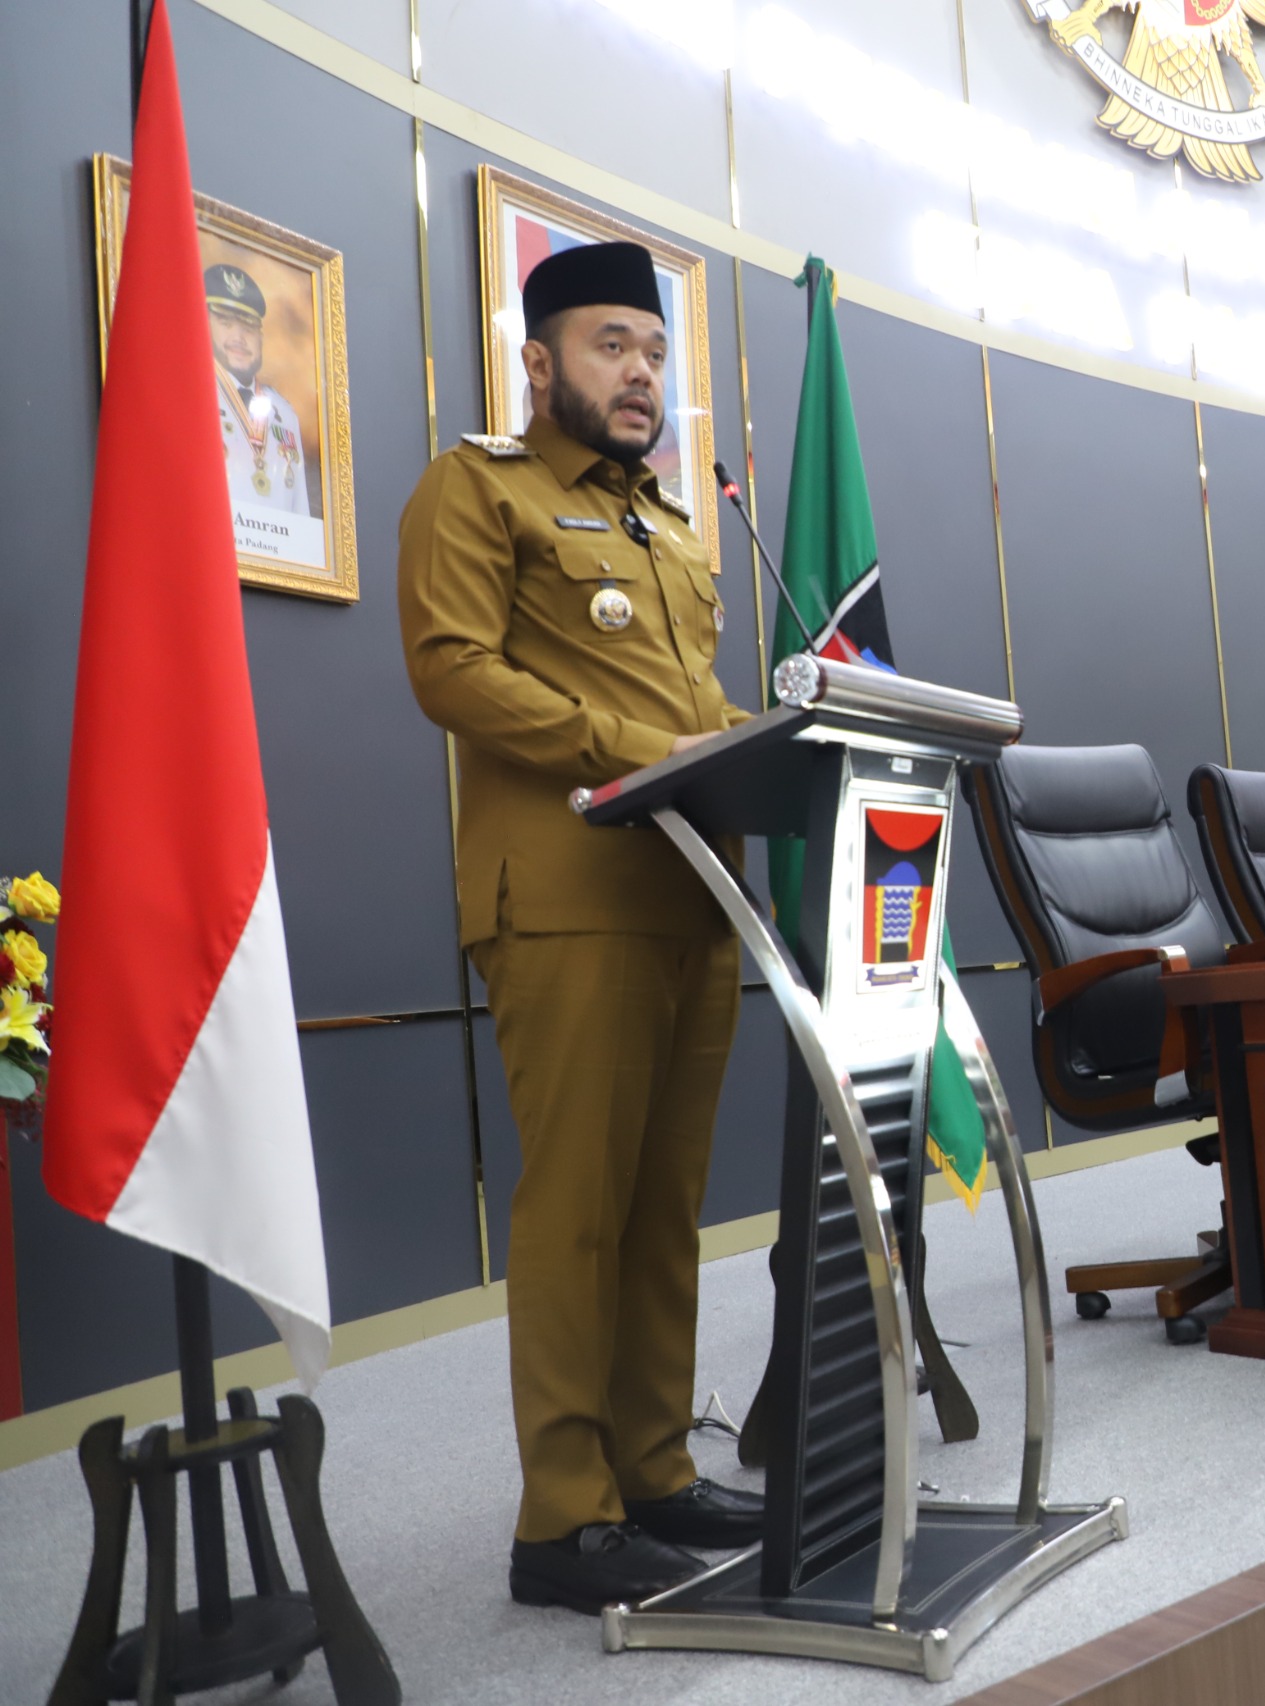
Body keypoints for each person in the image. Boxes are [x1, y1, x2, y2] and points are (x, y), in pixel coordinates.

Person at [397, 241, 760, 1616]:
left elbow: (700, 702)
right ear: (540, 361)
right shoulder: (476, 486)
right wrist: (638, 745)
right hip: (564, 899)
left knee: (663, 1206)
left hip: (690, 893)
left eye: (655, 354)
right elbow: (451, 668)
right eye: (613, 347)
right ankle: (564, 1513)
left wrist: (787, 732)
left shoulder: (671, 525)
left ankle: (654, 1470)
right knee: (578, 1210)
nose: (641, 375)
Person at [207, 263, 312, 518]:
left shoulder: (284, 412)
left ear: (261, 336)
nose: (239, 337)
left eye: (248, 327)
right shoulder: (189, 402)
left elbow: (300, 509)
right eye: (226, 323)